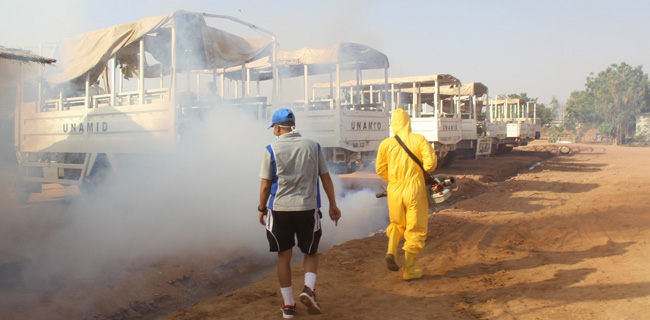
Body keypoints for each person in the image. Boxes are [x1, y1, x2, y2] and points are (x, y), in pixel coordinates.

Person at [258, 108, 342, 318]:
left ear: (277, 127)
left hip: (279, 210)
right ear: (292, 126)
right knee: (310, 251)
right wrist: (333, 205)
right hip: (307, 209)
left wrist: (261, 209)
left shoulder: (271, 149)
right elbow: (326, 178)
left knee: (283, 256)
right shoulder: (313, 146)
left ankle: (288, 306)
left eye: (274, 128)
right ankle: (309, 290)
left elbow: (265, 186)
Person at [375, 108, 437, 280]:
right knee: (415, 228)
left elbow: (380, 169)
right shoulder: (419, 139)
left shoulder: (386, 144)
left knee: (396, 224)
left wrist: (394, 180)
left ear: (393, 124)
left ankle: (391, 251)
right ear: (408, 122)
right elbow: (430, 165)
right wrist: (422, 170)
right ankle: (409, 270)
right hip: (414, 189)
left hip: (394, 189)